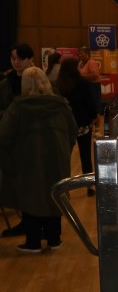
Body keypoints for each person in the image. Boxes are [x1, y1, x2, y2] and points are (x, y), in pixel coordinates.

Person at [0, 67, 77, 252]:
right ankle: (54, 238)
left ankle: (33, 241)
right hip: (57, 158)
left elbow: (4, 136)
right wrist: (63, 150)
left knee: (31, 196)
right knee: (54, 195)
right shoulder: (61, 105)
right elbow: (72, 131)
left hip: (28, 161)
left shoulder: (18, 108)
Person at [0, 43, 35, 238]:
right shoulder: (6, 83)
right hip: (13, 142)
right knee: (18, 185)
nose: (16, 62)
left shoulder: (39, 80)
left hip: (34, 141)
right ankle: (25, 222)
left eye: (19, 58)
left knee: (35, 185)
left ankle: (36, 225)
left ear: (29, 58)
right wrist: (10, 117)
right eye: (13, 58)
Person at [57, 58, 99, 196]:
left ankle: (64, 188)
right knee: (85, 155)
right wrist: (94, 117)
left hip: (65, 125)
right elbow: (90, 104)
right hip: (83, 124)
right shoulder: (83, 83)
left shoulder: (59, 85)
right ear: (75, 68)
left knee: (65, 157)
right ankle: (89, 187)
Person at [77, 46, 101, 113]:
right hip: (86, 87)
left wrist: (83, 77)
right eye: (79, 53)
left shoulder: (91, 62)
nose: (80, 55)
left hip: (93, 86)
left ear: (87, 54)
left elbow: (95, 75)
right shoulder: (81, 63)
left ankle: (96, 119)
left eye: (82, 53)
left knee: (94, 105)